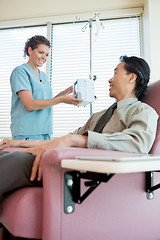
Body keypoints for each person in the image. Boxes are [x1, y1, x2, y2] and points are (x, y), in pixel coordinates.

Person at [0, 55, 158, 200]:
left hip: (82, 174)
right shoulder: (99, 116)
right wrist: (18, 143)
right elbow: (64, 140)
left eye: (116, 72)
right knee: (8, 153)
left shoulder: (143, 112)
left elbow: (137, 144)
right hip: (65, 165)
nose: (110, 79)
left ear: (132, 77)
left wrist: (75, 140)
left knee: (18, 159)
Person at [10, 35, 82, 141]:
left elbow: (47, 102)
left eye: (47, 54)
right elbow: (30, 104)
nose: (44, 57)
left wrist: (64, 93)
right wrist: (62, 100)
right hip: (27, 132)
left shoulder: (43, 76)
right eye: (41, 52)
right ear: (30, 50)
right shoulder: (20, 72)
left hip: (45, 131)